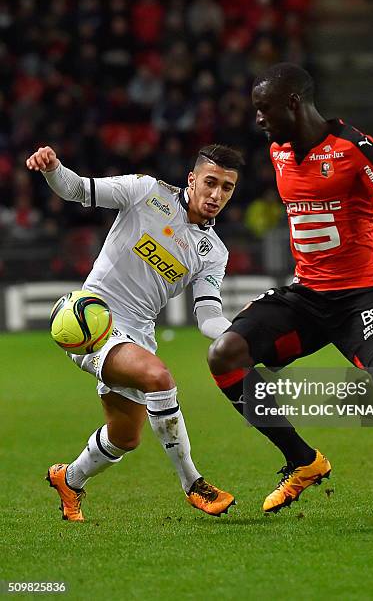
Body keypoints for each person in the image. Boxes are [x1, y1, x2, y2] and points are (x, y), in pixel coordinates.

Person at [207, 63, 373, 533]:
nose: (258, 119)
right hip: (307, 297)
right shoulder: (277, 152)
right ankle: (303, 461)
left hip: (363, 298)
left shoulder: (355, 148)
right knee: (224, 355)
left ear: (292, 103)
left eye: (263, 108)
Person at [26, 143, 244, 521]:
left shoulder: (213, 252)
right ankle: (194, 484)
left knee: (125, 436)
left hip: (139, 335)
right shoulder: (147, 192)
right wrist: (52, 168)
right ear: (192, 179)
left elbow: (207, 316)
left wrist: (242, 332)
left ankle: (69, 479)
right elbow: (77, 188)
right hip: (93, 321)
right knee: (159, 377)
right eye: (210, 182)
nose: (216, 195)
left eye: (226, 188)